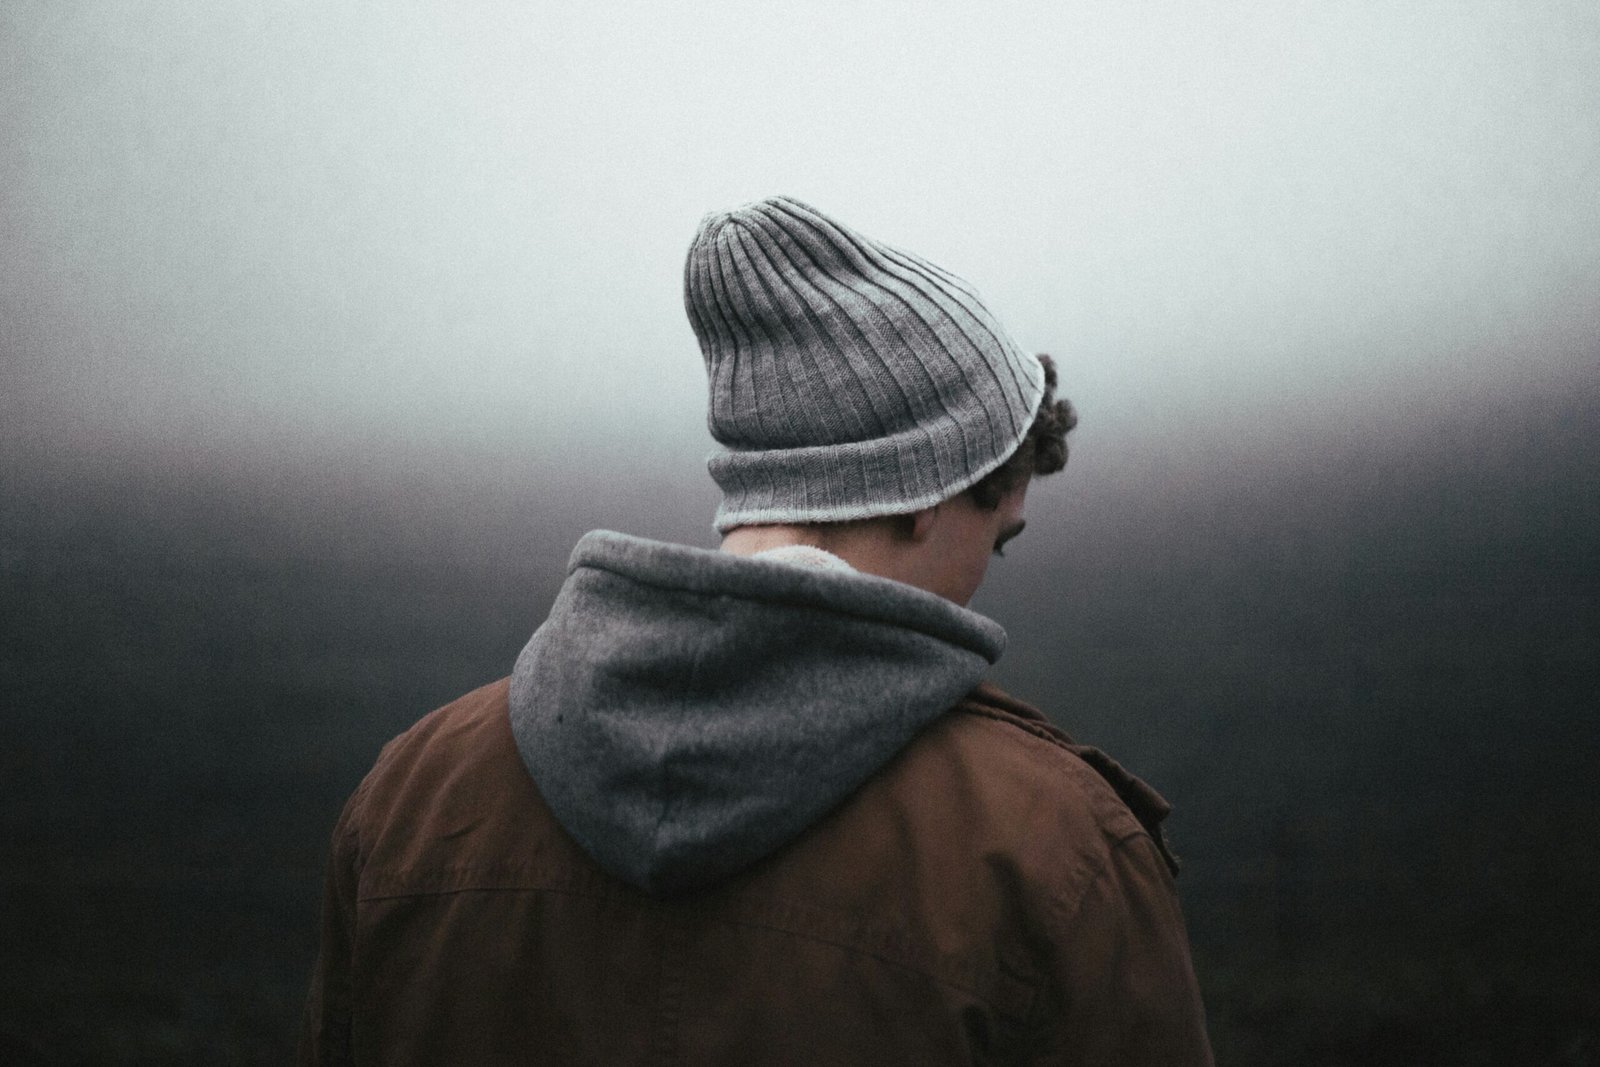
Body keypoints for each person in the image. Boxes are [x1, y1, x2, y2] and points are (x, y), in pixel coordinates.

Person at [300, 195, 1213, 1064]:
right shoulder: (1057, 853)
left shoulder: (409, 801)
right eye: (998, 542)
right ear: (927, 493)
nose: (981, 587)